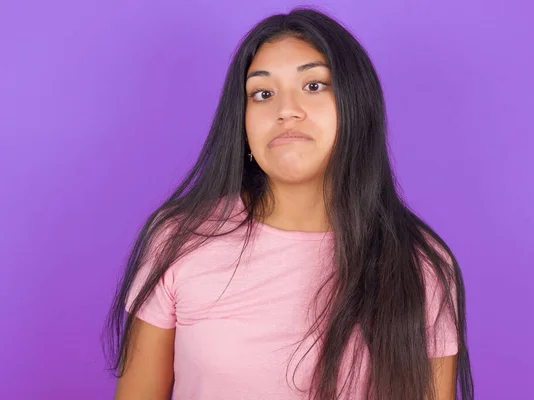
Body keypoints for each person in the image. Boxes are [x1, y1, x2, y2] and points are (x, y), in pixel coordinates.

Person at [103, 7, 474, 400]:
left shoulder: (420, 265)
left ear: (356, 106)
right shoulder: (179, 238)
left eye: (313, 86)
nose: (285, 111)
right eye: (262, 94)